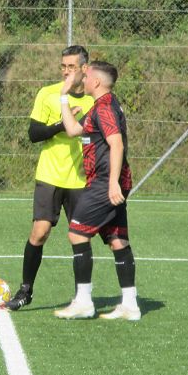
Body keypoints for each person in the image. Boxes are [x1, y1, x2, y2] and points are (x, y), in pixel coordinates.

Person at [6, 45, 94, 311]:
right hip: (50, 175)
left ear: (84, 69)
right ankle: (26, 290)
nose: (66, 71)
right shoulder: (48, 93)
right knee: (39, 232)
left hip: (81, 180)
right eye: (63, 66)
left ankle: (82, 297)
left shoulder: (94, 99)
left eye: (72, 67)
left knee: (81, 237)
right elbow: (34, 134)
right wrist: (60, 124)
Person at [58, 59, 140, 320]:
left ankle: (83, 302)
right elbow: (73, 130)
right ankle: (130, 305)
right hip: (109, 181)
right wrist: (63, 97)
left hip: (105, 182)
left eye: (86, 75)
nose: (82, 78)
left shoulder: (104, 108)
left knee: (77, 234)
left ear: (95, 81)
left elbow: (116, 144)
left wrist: (113, 182)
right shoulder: (102, 105)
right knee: (117, 240)